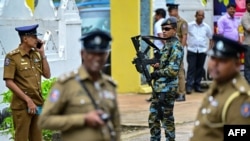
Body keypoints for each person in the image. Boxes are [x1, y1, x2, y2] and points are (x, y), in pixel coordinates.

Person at [38, 30, 121, 141]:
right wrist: (83, 119)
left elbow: (116, 125)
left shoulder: (109, 85)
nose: (97, 58)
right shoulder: (66, 84)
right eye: (92, 53)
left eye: (101, 54)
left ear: (106, 55)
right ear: (83, 54)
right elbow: (44, 120)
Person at [189, 35, 250, 141]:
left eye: (223, 60)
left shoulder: (239, 97)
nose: (215, 64)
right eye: (213, 58)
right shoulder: (217, 85)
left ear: (237, 64)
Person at [3, 24, 51, 141]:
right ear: (25, 39)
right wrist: (28, 100)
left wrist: (42, 54)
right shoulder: (12, 57)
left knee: (37, 138)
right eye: (34, 37)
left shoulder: (36, 54)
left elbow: (47, 74)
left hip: (37, 103)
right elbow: (9, 82)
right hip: (22, 106)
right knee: (22, 138)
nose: (37, 39)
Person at [149, 17, 184, 141]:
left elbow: (173, 70)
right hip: (159, 87)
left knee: (166, 118)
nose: (164, 31)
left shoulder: (176, 46)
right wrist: (157, 65)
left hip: (167, 89)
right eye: (163, 29)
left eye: (167, 29)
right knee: (153, 118)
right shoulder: (167, 44)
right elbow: (166, 64)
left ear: (174, 30)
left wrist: (157, 73)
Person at [186, 10, 213, 94]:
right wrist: (186, 44)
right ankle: (189, 87)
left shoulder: (206, 27)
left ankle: (197, 86)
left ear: (204, 17)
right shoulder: (189, 25)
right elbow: (183, 34)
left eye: (202, 16)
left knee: (200, 69)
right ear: (195, 16)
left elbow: (211, 38)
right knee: (191, 68)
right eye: (199, 15)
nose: (200, 17)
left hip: (202, 51)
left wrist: (209, 49)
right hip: (192, 50)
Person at [166, 3, 187, 102]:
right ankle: (175, 92)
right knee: (172, 72)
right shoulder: (169, 22)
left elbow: (184, 37)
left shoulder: (182, 22)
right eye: (169, 11)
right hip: (170, 50)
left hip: (177, 50)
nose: (170, 13)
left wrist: (181, 50)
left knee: (180, 72)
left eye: (172, 11)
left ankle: (182, 93)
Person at [241, 0, 250, 84]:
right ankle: (248, 81)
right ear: (246, 6)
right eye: (249, 5)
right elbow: (248, 29)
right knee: (248, 64)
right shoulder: (244, 16)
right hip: (248, 44)